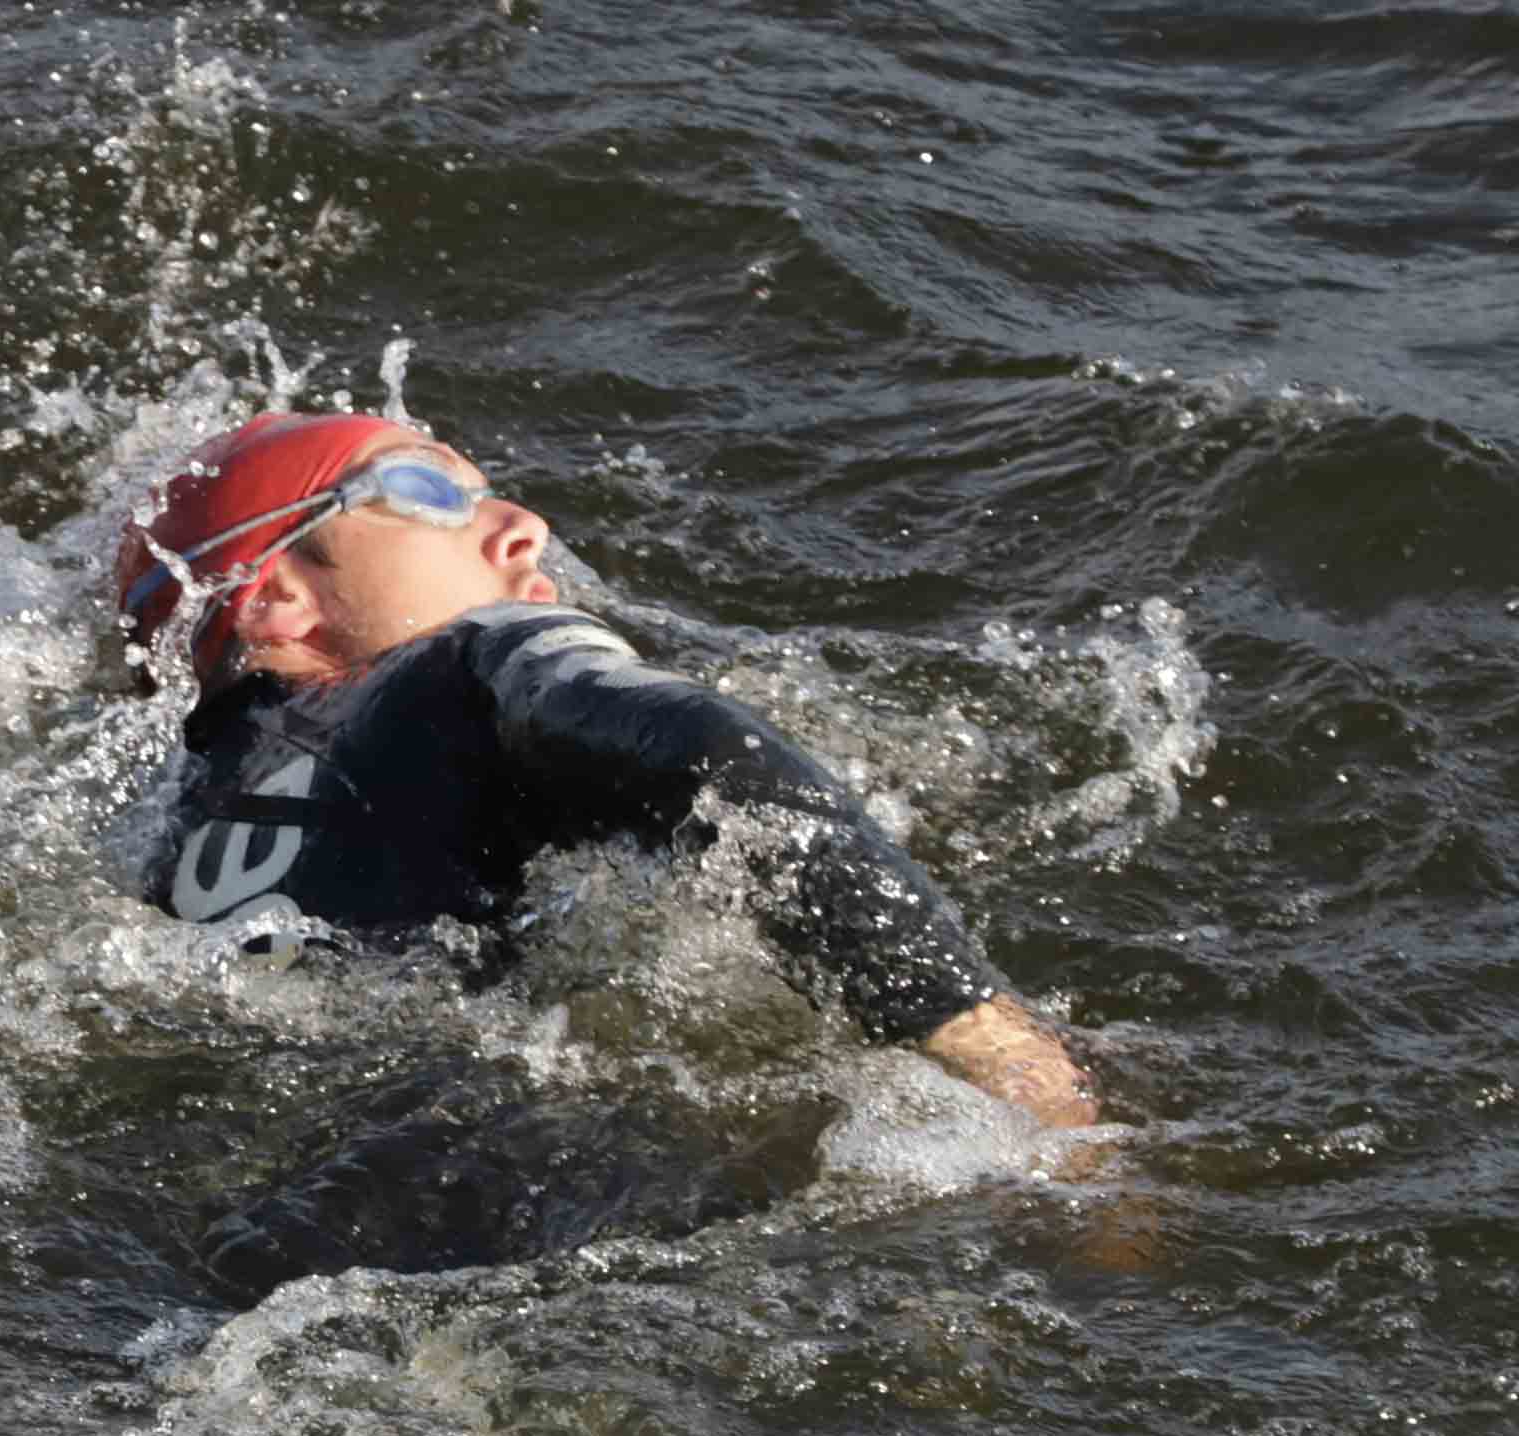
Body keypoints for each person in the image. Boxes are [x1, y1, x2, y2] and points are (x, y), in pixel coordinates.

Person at [115, 411, 1100, 1130]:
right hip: (489, 1175)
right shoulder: (464, 663)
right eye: (429, 492)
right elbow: (706, 751)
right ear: (279, 599)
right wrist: (995, 1047)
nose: (522, 527)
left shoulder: (172, 840)